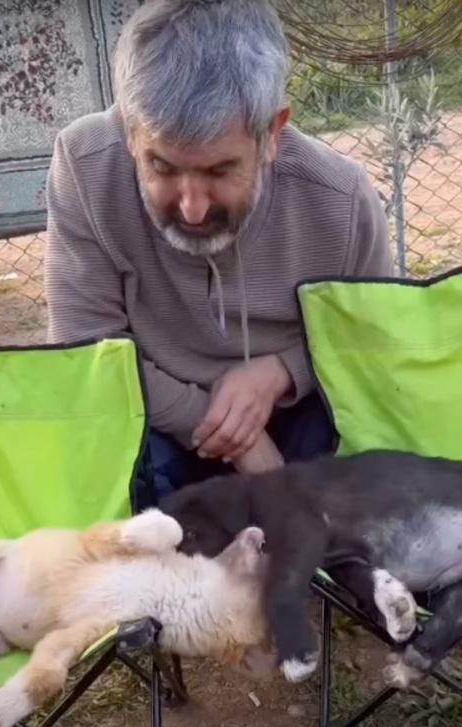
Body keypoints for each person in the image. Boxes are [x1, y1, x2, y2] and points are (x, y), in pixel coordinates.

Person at [44, 0, 393, 505]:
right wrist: (237, 438)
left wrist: (282, 373)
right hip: (152, 412)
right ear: (129, 132)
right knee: (104, 456)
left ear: (272, 133)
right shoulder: (84, 165)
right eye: (161, 167)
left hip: (298, 417)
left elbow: (369, 345)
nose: (190, 207)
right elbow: (85, 351)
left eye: (218, 171)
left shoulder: (339, 198)